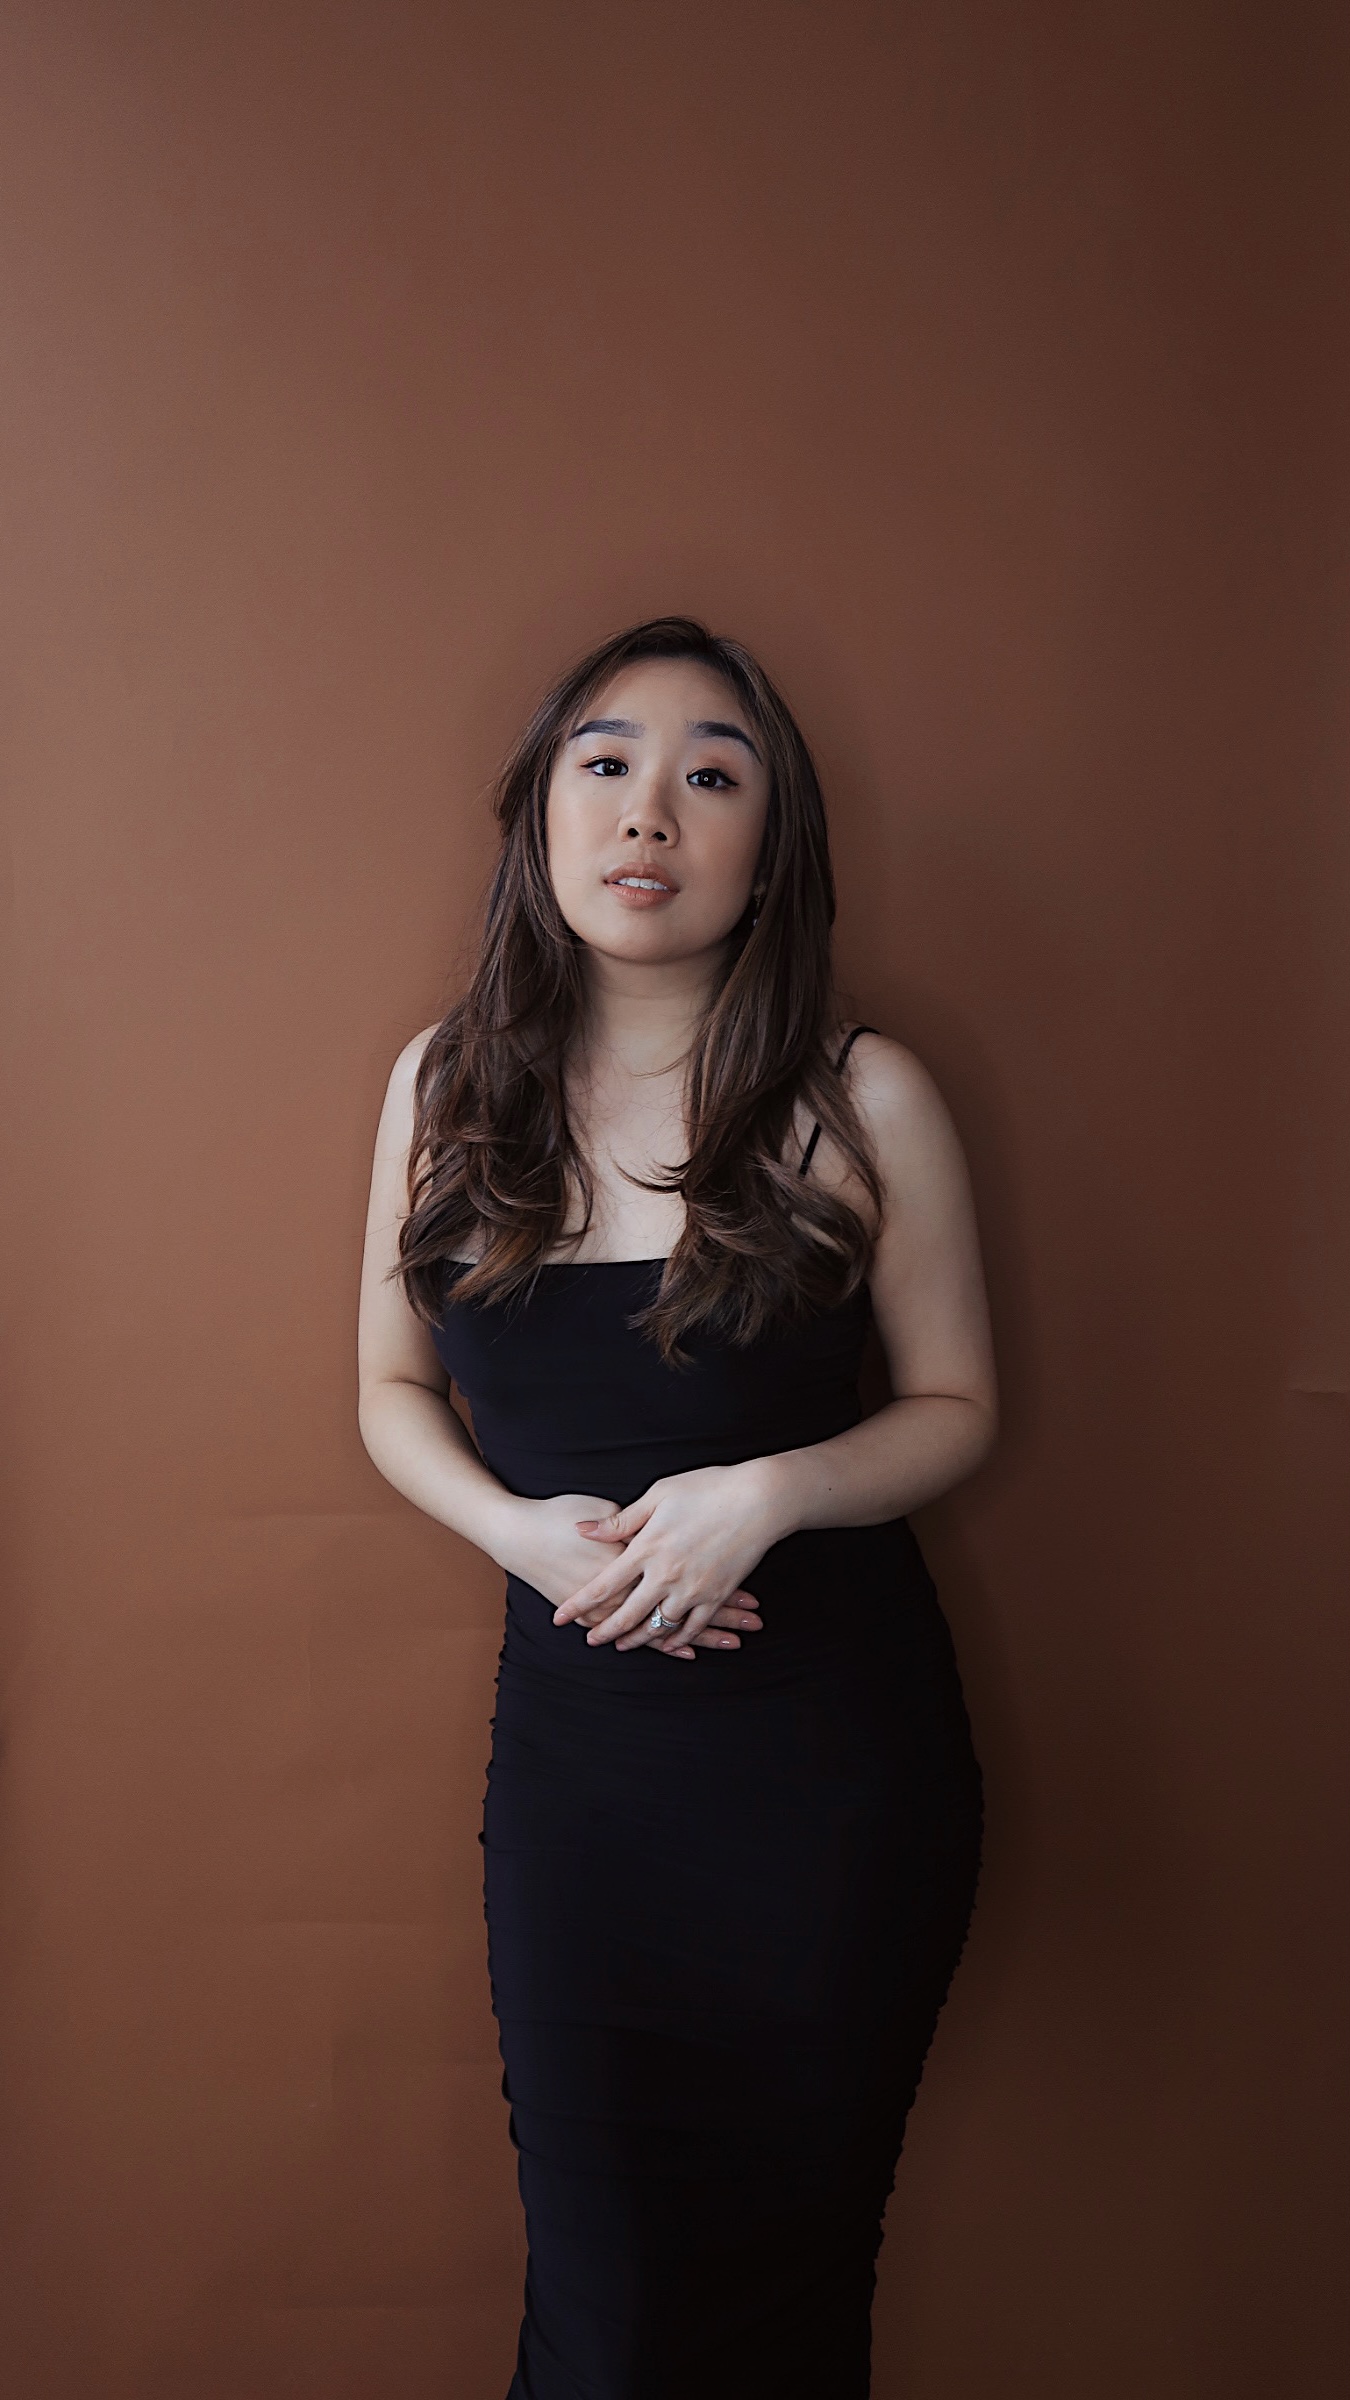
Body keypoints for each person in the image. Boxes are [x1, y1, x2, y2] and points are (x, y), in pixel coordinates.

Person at [356, 615, 997, 2399]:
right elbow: (388, 1392)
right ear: (540, 818)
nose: (652, 810)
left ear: (769, 847)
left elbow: (957, 1408)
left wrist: (765, 1495)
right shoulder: (444, 1089)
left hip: (831, 1781)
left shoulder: (860, 1097)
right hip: (579, 1786)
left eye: (712, 775)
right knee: (607, 2310)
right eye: (607, 765)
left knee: (790, 2296)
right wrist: (514, 1529)